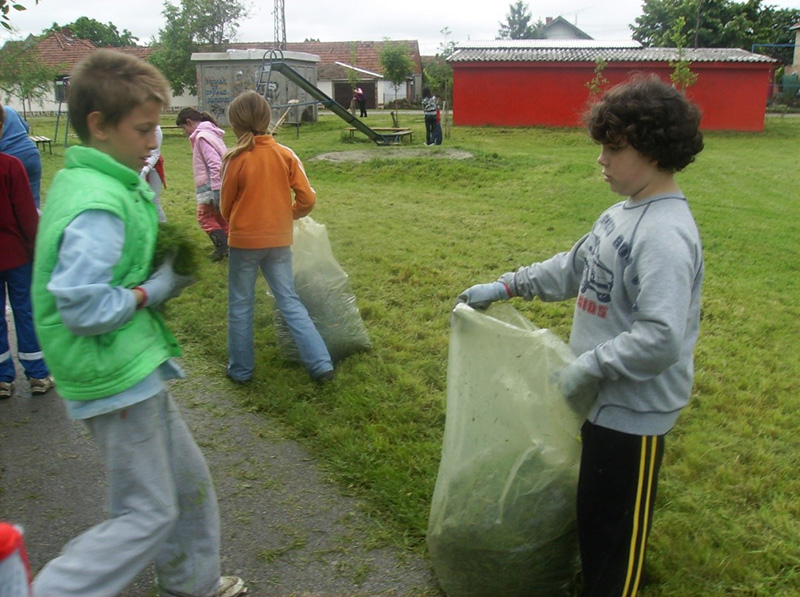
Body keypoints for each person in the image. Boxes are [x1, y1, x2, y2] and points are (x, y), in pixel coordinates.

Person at [456, 75, 704, 597]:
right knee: (593, 513)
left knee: (618, 537)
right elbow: (574, 267)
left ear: (654, 149)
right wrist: (505, 286)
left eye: (614, 149)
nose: (602, 160)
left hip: (633, 416)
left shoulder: (665, 235)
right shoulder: (622, 213)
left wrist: (585, 368)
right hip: (599, 403)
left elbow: (661, 337)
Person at [30, 50, 246, 597]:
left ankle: (192, 582)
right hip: (111, 372)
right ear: (99, 126)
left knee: (187, 480)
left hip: (132, 361)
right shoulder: (97, 204)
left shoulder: (97, 180)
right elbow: (81, 307)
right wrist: (154, 289)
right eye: (144, 129)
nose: (155, 142)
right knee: (145, 512)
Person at [220, 90, 334, 384]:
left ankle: (241, 371)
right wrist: (289, 214)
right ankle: (321, 365)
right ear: (267, 119)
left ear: (236, 124)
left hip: (243, 243)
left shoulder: (235, 160)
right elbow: (307, 198)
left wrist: (242, 219)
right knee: (289, 301)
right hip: (280, 241)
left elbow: (224, 208)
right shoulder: (285, 154)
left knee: (240, 305)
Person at [0, 105, 53, 399]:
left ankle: (2, 378)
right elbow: (27, 214)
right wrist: (37, 249)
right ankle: (38, 374)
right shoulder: (11, 166)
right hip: (18, 255)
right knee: (26, 310)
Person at [175, 107, 229, 261]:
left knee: (204, 217)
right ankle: (231, 246)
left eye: (183, 128)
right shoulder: (212, 133)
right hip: (219, 184)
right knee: (220, 218)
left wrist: (217, 190)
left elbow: (215, 164)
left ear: (189, 122)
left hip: (211, 187)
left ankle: (221, 247)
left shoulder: (202, 137)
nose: (185, 132)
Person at [0, 105, 43, 210]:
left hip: (10, 157)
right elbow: (26, 128)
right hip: (31, 153)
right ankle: (34, 220)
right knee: (33, 197)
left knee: (12, 200)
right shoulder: (9, 110)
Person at [140, 123, 167, 222]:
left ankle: (163, 227)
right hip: (136, 163)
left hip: (153, 166)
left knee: (153, 199)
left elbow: (155, 153)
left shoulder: (156, 129)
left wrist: (144, 171)